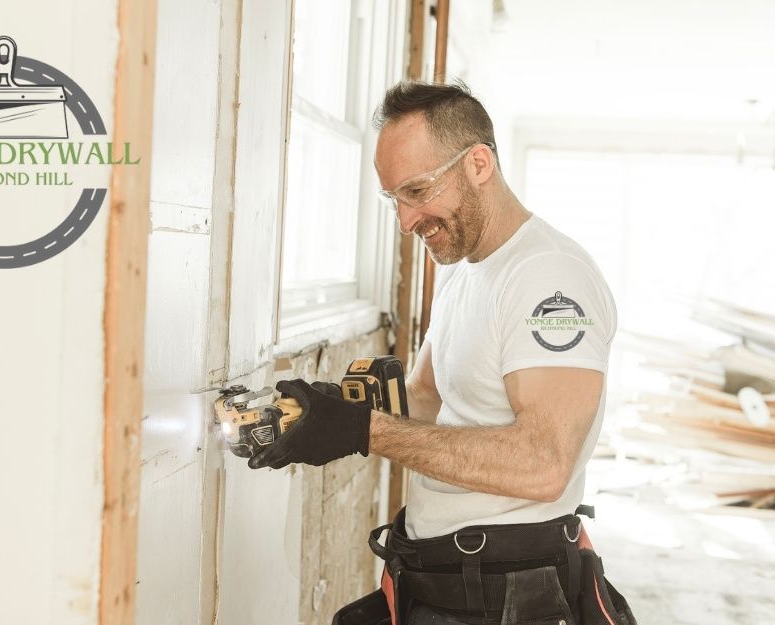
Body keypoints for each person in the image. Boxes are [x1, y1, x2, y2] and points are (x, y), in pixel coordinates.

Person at [248, 81, 636, 625]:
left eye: (417, 190)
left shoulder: (549, 278)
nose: (406, 221)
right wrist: (323, 412)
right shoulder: (466, 272)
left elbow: (545, 464)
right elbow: (427, 398)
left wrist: (365, 431)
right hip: (443, 580)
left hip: (509, 594)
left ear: (478, 163)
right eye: (395, 200)